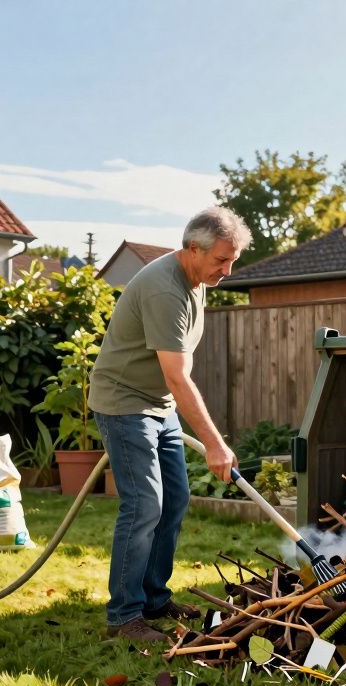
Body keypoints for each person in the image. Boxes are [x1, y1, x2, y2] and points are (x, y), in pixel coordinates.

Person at [88, 206, 250, 642]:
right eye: (221, 260)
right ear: (192, 249)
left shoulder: (197, 282)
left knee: (174, 500)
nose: (228, 270)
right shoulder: (165, 289)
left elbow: (175, 372)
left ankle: (153, 599)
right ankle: (123, 617)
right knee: (144, 505)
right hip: (124, 401)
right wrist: (215, 443)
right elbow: (178, 375)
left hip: (156, 404)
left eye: (232, 260)